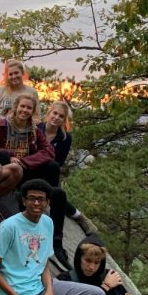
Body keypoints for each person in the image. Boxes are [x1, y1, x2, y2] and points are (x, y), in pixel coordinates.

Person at [0, 92, 72, 269]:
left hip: (26, 172)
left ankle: (56, 243)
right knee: (25, 169)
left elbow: (49, 151)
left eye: (29, 108)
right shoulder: (1, 126)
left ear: (33, 110)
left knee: (57, 188)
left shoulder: (35, 130)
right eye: (22, 106)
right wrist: (9, 156)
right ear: (16, 107)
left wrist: (25, 161)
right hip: (8, 172)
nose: (25, 110)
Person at [42, 99, 96, 235]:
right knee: (53, 192)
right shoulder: (37, 129)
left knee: (55, 193)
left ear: (64, 120)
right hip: (33, 168)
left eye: (61, 116)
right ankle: (77, 215)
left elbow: (59, 162)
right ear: (48, 113)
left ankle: (78, 219)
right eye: (54, 113)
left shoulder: (65, 138)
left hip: (50, 172)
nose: (56, 118)